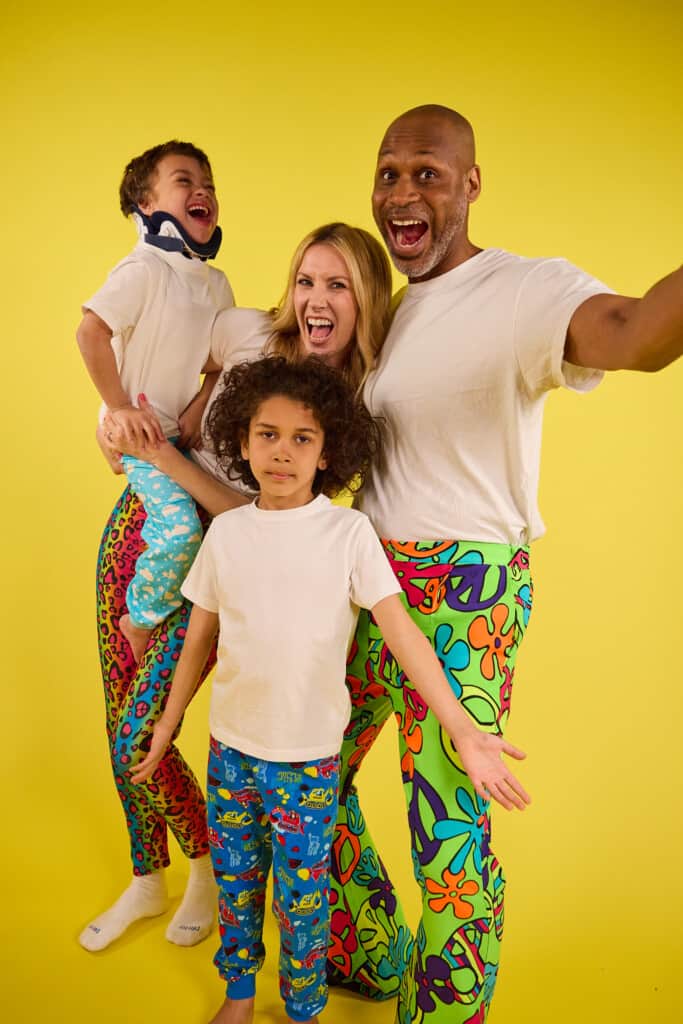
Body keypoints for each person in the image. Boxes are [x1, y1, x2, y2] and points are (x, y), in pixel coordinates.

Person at [326, 104, 683, 1023]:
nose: (403, 192)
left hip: (463, 586)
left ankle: (446, 1012)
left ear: (470, 185)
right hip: (366, 573)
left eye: (428, 174)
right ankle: (369, 948)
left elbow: (639, 334)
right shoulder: (393, 311)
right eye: (388, 172)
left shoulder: (525, 290)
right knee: (298, 771)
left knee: (445, 819)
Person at [130, 355, 530, 1024]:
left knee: (304, 900)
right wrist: (168, 724)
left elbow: (401, 632)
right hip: (230, 756)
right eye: (266, 434)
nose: (280, 452)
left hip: (309, 763)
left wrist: (461, 725)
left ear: (326, 452)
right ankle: (236, 994)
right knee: (237, 887)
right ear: (241, 440)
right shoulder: (226, 534)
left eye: (301, 438)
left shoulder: (347, 535)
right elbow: (199, 638)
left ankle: (303, 1006)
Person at [79, 224, 392, 953]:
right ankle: (145, 876)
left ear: (365, 301)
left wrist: (164, 458)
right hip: (141, 527)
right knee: (115, 709)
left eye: (337, 285)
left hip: (223, 573)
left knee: (139, 738)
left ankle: (205, 862)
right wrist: (122, 426)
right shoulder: (243, 331)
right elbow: (175, 383)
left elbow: (262, 520)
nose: (315, 299)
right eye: (306, 281)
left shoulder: (351, 399)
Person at [76, 140, 233, 665]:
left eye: (208, 184)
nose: (202, 190)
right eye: (184, 181)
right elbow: (90, 333)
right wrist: (117, 409)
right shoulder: (142, 269)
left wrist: (199, 404)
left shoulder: (215, 284)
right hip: (140, 438)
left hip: (177, 430)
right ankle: (140, 617)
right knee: (179, 530)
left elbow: (218, 363)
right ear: (147, 205)